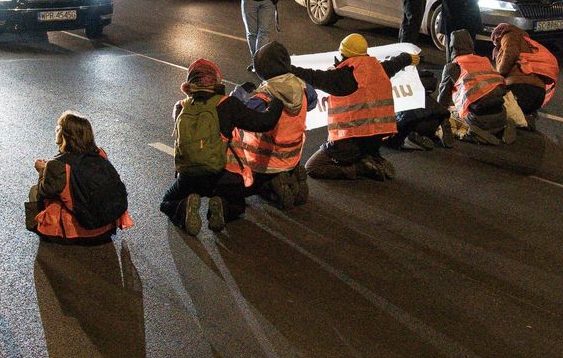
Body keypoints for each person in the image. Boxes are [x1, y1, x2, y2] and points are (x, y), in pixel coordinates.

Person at [161, 59, 283, 236]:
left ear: (190, 83)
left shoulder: (180, 107)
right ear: (216, 80)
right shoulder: (227, 104)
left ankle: (183, 206)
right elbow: (264, 122)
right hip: (223, 176)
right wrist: (277, 102)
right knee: (237, 204)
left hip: (189, 177)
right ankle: (222, 207)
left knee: (167, 202)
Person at [288, 33, 415, 181]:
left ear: (343, 54)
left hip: (350, 141)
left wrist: (284, 68)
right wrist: (408, 58)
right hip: (376, 139)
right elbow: (395, 63)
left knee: (314, 167)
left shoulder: (343, 77)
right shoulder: (379, 68)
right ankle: (371, 157)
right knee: (360, 149)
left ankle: (360, 168)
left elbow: (310, 76)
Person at [231, 41, 318, 209]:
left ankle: (274, 185)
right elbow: (313, 103)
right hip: (293, 155)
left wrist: (239, 94)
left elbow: (243, 116)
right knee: (284, 168)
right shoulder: (303, 86)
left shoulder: (265, 94)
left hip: (264, 161)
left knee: (241, 188)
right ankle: (291, 176)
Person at [27, 112, 134, 244]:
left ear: (65, 136)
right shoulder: (100, 154)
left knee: (34, 191)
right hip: (106, 229)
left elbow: (45, 192)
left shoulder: (57, 166)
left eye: (58, 128)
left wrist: (42, 170)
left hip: (78, 234)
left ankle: (48, 230)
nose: (56, 131)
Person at [437, 29, 515, 145]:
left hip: (477, 119)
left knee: (448, 117)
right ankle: (501, 128)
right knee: (486, 102)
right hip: (501, 114)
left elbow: (442, 100)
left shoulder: (453, 67)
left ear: (452, 48)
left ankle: (473, 133)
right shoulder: (483, 60)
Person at [490, 23, 559, 125]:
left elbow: (510, 53)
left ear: (498, 34)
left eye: (495, 39)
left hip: (520, 88)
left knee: (504, 119)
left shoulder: (509, 35)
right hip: (538, 92)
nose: (495, 43)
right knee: (522, 120)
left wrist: (500, 72)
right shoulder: (526, 42)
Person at [382, 68, 454, 151]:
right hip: (436, 117)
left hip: (413, 122)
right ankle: (441, 126)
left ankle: (407, 138)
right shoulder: (410, 78)